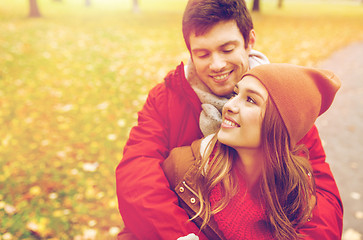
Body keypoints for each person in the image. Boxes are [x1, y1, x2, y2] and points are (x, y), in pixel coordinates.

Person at [115, 0, 343, 239]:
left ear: (249, 41)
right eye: (202, 54)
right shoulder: (166, 99)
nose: (217, 65)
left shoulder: (282, 102)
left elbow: (322, 192)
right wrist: (183, 234)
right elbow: (137, 174)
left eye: (227, 49)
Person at [162, 63, 341, 240]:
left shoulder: (297, 195)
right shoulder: (183, 169)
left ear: (279, 125)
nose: (229, 106)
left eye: (250, 100)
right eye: (236, 94)